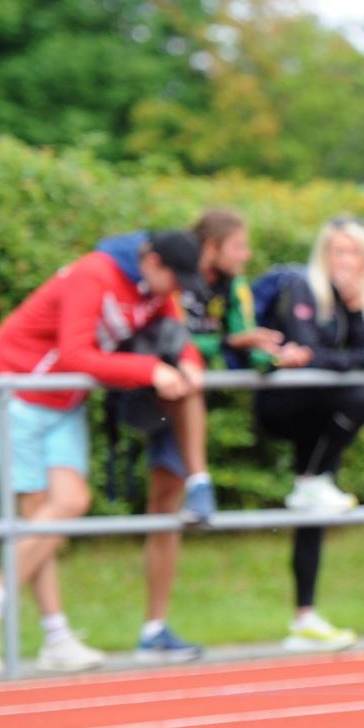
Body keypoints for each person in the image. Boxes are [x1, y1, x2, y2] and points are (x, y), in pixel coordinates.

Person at [0, 230, 209, 674]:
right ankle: (10, 618)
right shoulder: (94, 274)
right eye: (177, 280)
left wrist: (189, 362)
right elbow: (74, 353)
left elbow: (173, 333)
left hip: (64, 402)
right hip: (19, 391)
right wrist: (149, 370)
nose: (179, 291)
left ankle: (32, 628)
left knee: (60, 511)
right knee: (44, 514)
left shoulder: (155, 289)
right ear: (153, 264)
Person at [102, 209, 282, 664]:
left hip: (181, 396)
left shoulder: (232, 286)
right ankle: (203, 484)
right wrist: (221, 347)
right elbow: (178, 339)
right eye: (239, 245)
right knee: (164, 500)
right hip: (149, 387)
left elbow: (235, 337)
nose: (247, 254)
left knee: (167, 501)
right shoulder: (174, 276)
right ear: (211, 248)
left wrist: (267, 354)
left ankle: (154, 628)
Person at [251, 217, 364, 651]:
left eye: (353, 252)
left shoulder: (350, 300)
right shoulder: (302, 287)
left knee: (313, 511)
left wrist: (352, 310)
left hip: (320, 412)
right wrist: (360, 359)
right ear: (322, 254)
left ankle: (304, 618)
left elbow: (361, 349)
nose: (344, 261)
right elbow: (314, 355)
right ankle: (310, 483)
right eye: (336, 251)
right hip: (284, 404)